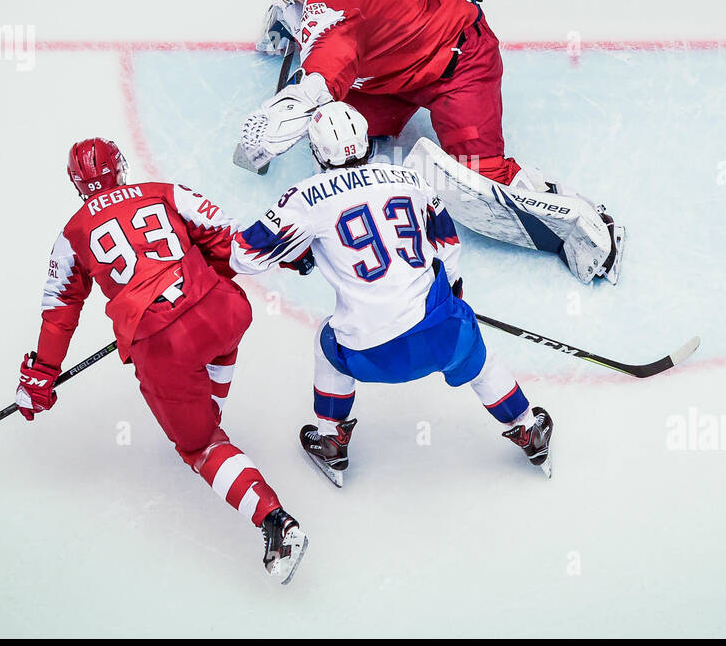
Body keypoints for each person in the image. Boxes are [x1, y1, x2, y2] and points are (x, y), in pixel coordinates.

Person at [236, 0, 625, 286]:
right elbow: (306, 20)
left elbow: (320, 76)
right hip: (399, 72)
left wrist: (271, 129)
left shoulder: (328, 13)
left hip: (460, 64)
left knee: (479, 174)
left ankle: (584, 217)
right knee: (339, 135)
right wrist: (282, 29)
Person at [15, 137, 307, 583]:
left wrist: (40, 376)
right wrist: (283, 259)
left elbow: (59, 312)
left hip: (165, 345)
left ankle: (275, 522)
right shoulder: (165, 191)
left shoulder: (72, 234)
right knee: (212, 348)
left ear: (77, 185)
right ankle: (206, 415)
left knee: (200, 445)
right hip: (225, 309)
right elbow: (228, 243)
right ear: (120, 167)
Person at [231, 103, 554, 485]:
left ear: (317, 151)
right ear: (366, 141)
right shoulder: (408, 178)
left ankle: (332, 439)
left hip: (369, 356)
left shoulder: (305, 198)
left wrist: (296, 255)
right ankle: (526, 426)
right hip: (442, 337)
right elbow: (447, 245)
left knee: (327, 339)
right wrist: (451, 294)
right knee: (474, 350)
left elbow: (244, 256)